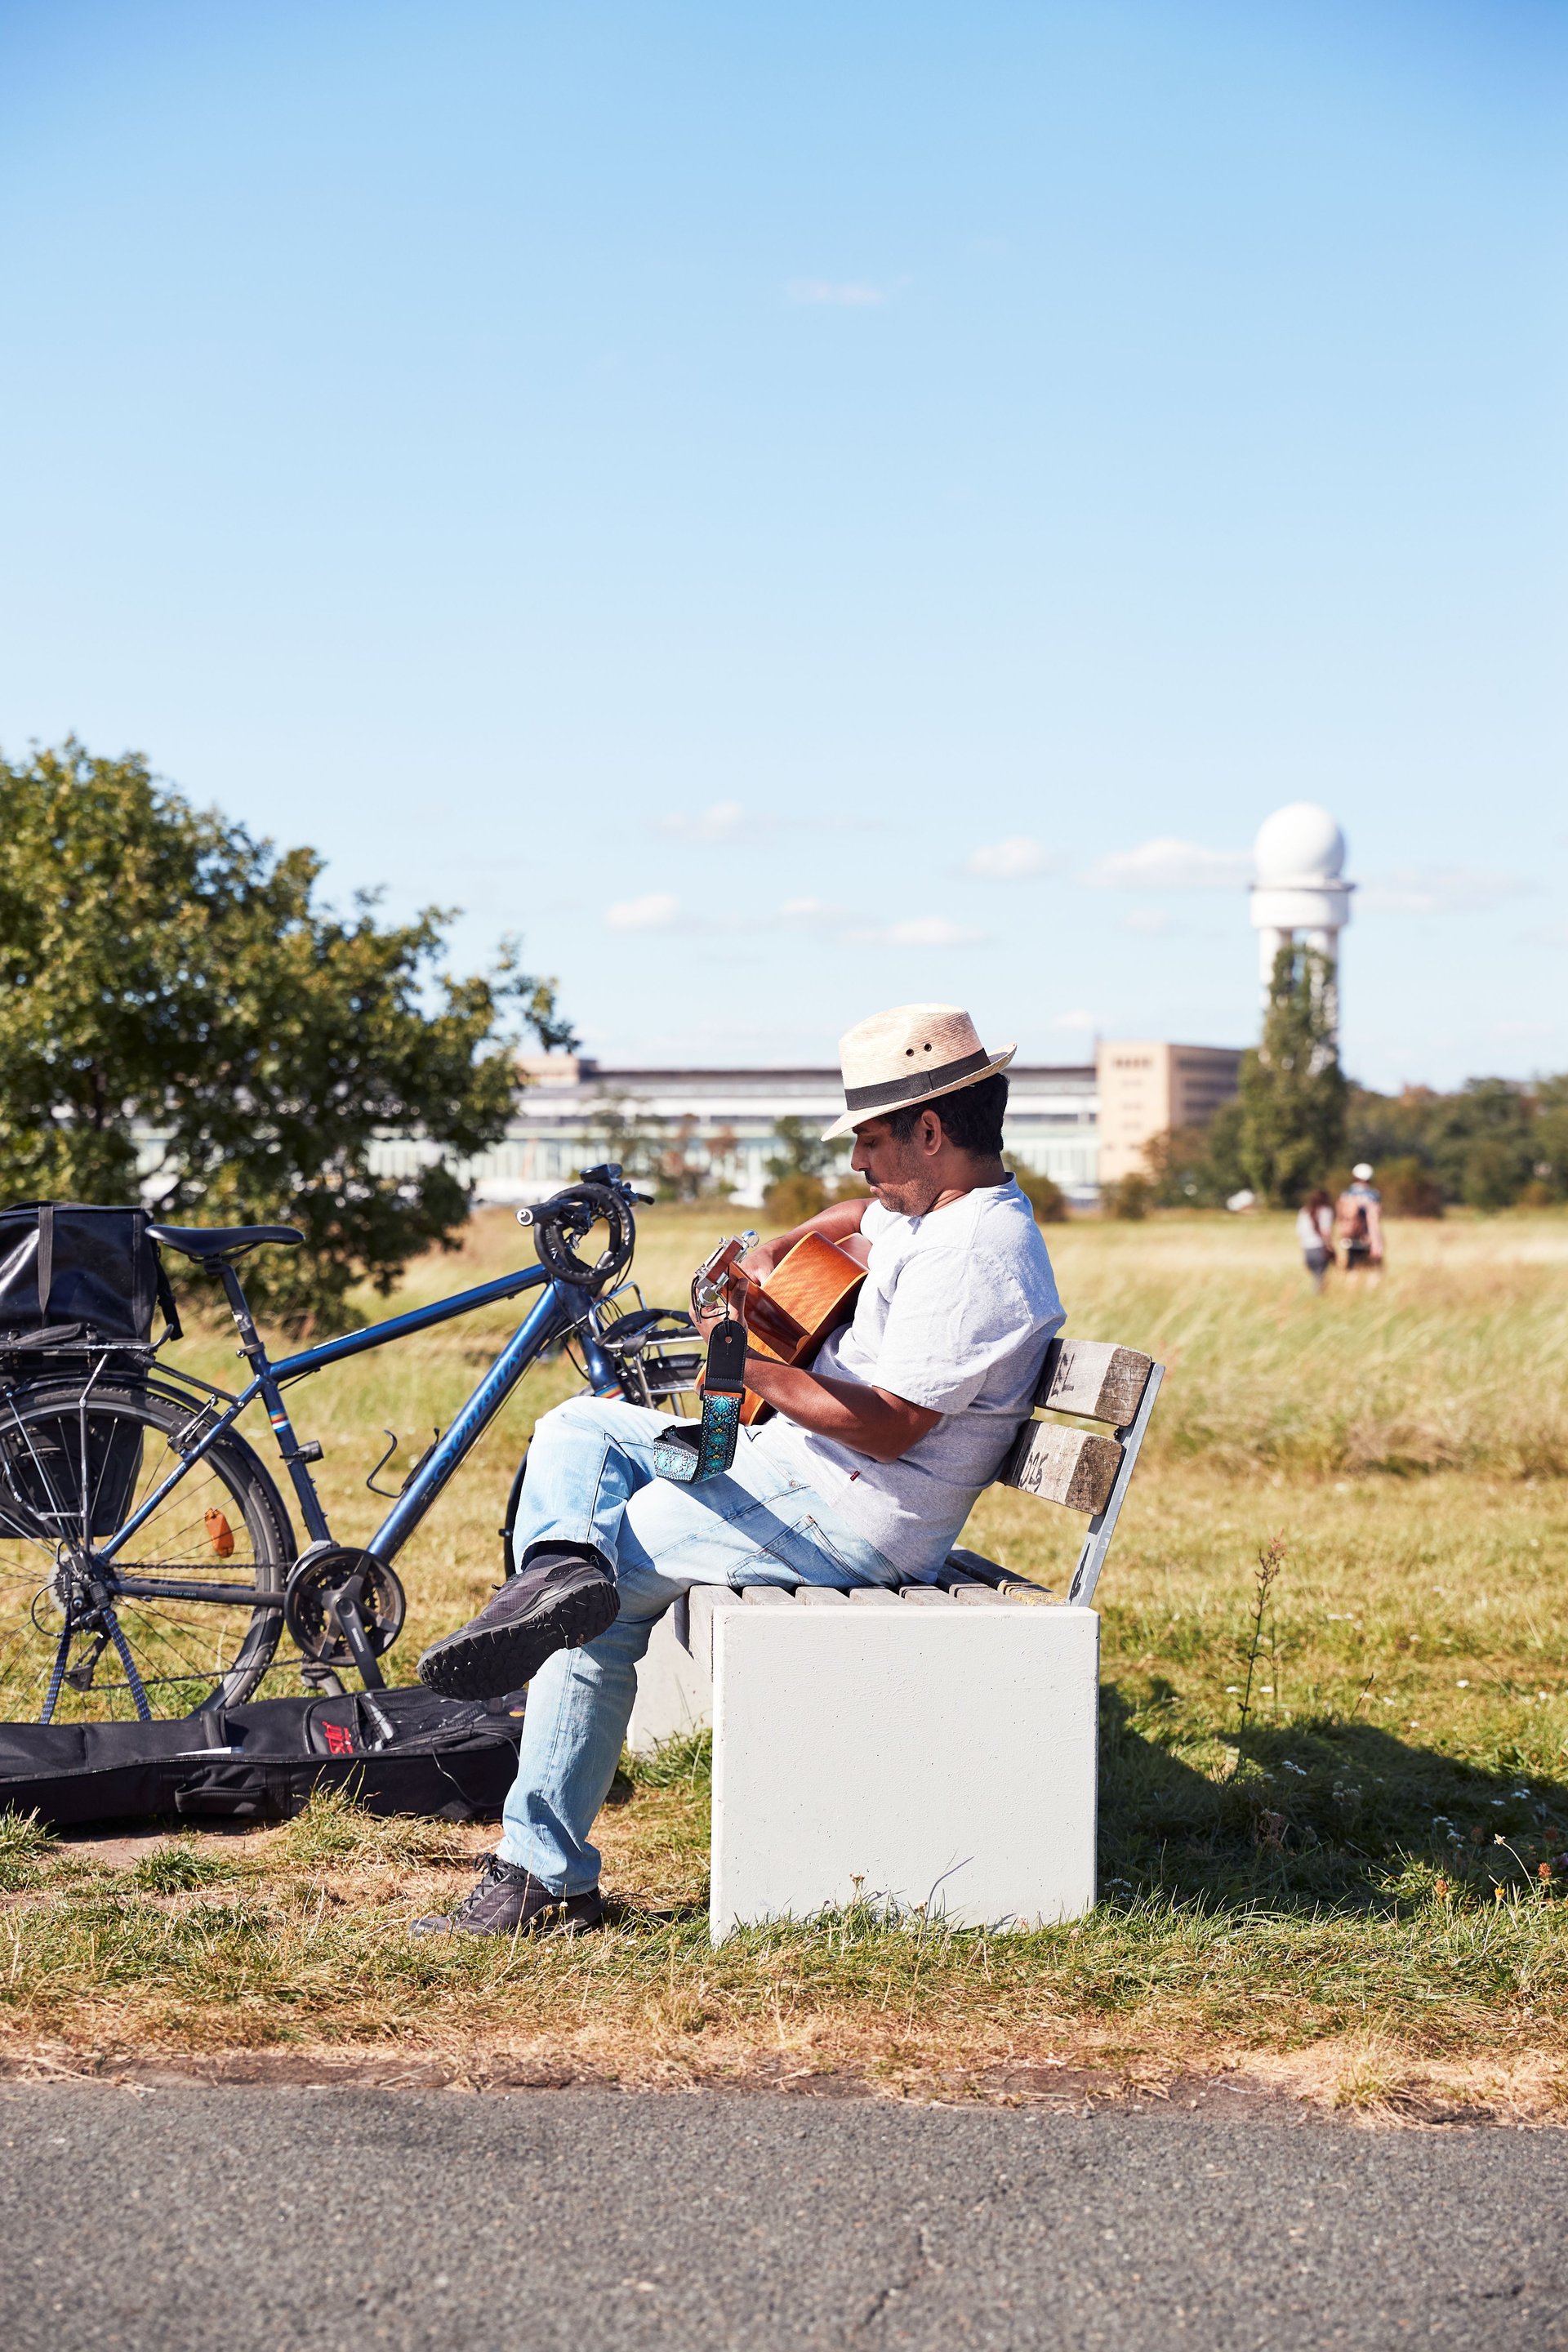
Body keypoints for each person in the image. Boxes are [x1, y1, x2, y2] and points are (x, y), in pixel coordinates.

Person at [409, 1003, 1065, 1938]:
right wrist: (786, 1242)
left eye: (869, 1141)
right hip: (795, 1473)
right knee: (575, 1429)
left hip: (851, 1515)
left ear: (929, 1130)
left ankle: (541, 1879)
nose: (858, 1164)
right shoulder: (941, 1210)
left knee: (607, 1585)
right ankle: (554, 1577)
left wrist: (746, 1364)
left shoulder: (980, 1256)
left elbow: (885, 1432)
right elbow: (861, 1217)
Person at [1336, 1162, 1384, 1278]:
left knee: (1352, 1268)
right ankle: (1370, 1294)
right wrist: (1377, 1241)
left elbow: (1339, 1216)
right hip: (1367, 1238)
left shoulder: (1346, 1194)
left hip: (1349, 1236)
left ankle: (1350, 1293)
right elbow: (1374, 1220)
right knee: (1374, 1268)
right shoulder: (1373, 1195)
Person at [1296, 1187, 1334, 1291]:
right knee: (1320, 1277)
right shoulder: (1326, 1211)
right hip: (1320, 1248)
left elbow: (1300, 1232)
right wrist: (1331, 1247)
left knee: (1316, 1276)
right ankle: (1318, 1297)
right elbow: (1326, 1232)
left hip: (1307, 1249)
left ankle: (1317, 1296)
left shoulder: (1303, 1212)